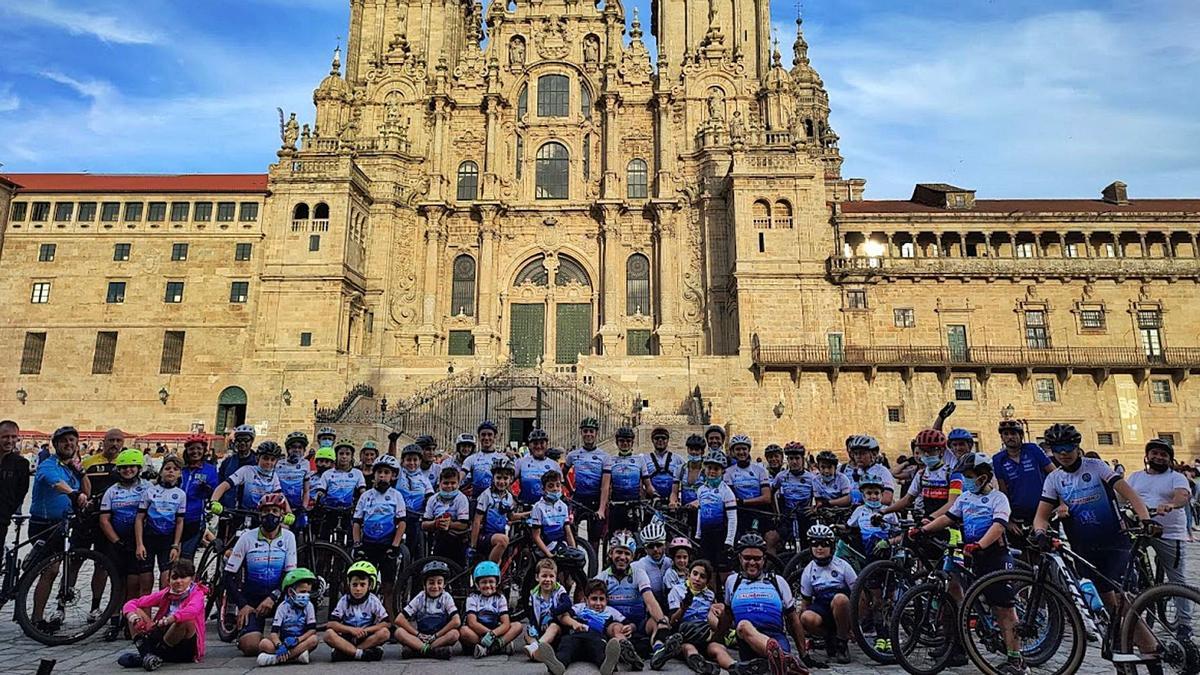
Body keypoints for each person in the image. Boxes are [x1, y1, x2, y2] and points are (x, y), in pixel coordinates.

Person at [913, 452, 1023, 673]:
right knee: (964, 593)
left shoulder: (998, 498)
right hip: (973, 555)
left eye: (970, 476)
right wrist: (923, 530)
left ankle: (1016, 659)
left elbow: (999, 526)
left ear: (983, 477)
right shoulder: (964, 498)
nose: (967, 480)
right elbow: (948, 518)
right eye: (965, 476)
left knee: (1003, 609)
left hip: (995, 555)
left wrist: (981, 544)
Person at [711, 533, 825, 672]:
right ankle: (782, 661)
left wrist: (804, 655)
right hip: (747, 641)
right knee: (743, 625)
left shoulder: (778, 581)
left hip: (777, 638)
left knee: (772, 654)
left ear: (764, 559)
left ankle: (780, 659)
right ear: (740, 558)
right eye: (747, 558)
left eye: (757, 558)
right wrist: (715, 640)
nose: (752, 562)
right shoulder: (732, 581)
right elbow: (727, 616)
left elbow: (793, 620)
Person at [1126, 438, 1193, 639]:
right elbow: (1122, 495)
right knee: (1127, 566)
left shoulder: (1176, 477)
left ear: (1170, 459)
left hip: (1168, 531)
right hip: (1140, 528)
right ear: (1147, 456)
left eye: (1163, 455)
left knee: (1176, 578)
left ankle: (1184, 624)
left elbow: (1182, 495)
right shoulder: (1135, 477)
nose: (1158, 457)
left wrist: (1171, 505)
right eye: (1154, 453)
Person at [29, 425, 90, 633]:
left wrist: (81, 472)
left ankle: (32, 610)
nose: (69, 444)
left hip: (62, 525)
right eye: (64, 441)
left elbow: (86, 491)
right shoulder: (49, 464)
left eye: (72, 440)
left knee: (50, 570)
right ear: (56, 445)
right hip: (44, 525)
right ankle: (36, 619)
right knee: (51, 569)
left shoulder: (69, 468)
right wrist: (72, 493)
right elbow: (54, 483)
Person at [221, 493, 297, 657]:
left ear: (282, 515)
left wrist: (273, 596)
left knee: (294, 638)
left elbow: (290, 575)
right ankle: (265, 642)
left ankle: (274, 644)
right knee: (250, 647)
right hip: (252, 601)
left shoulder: (289, 537)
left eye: (275, 511)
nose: (270, 515)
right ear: (260, 514)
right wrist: (242, 604)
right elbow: (228, 576)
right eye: (266, 511)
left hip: (279, 599)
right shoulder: (247, 538)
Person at [118, 559, 208, 671]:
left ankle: (154, 655)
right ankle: (146, 654)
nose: (179, 581)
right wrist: (133, 617)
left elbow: (191, 611)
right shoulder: (166, 593)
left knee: (186, 621)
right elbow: (132, 603)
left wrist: (168, 620)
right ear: (168, 579)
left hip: (183, 647)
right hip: (162, 636)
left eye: (183, 577)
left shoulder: (197, 594)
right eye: (175, 578)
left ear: (192, 579)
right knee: (135, 610)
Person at [100, 448, 152, 640]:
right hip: (118, 541)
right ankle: (115, 620)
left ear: (138, 468)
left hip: (140, 541)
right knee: (117, 583)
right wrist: (117, 541)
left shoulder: (147, 488)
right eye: (124, 468)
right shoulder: (112, 491)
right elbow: (104, 519)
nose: (128, 470)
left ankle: (135, 620)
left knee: (136, 583)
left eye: (131, 467)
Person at [595, 530, 665, 665]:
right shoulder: (602, 577)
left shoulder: (639, 573)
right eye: (619, 552)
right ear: (610, 553)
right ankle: (628, 651)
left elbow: (650, 601)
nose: (622, 557)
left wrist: (662, 621)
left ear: (632, 557)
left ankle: (659, 651)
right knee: (615, 628)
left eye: (627, 554)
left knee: (657, 621)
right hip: (617, 623)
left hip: (639, 623)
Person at [535, 579, 628, 675]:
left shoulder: (610, 611)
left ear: (606, 600)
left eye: (602, 599)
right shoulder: (580, 607)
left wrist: (629, 628)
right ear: (586, 599)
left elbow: (628, 623)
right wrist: (574, 623)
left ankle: (608, 665)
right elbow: (563, 617)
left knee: (600, 649)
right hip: (576, 636)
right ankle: (557, 665)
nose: (598, 603)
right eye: (594, 599)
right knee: (566, 646)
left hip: (596, 637)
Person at [352, 453, 406, 616]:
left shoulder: (396, 496)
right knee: (366, 583)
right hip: (368, 544)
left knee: (388, 586)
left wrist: (395, 546)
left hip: (387, 545)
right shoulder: (366, 496)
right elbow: (357, 522)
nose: (382, 476)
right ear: (374, 474)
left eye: (386, 473)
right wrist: (357, 544)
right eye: (379, 472)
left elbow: (401, 522)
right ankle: (365, 618)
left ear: (393, 476)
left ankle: (390, 620)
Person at [798, 524, 856, 665]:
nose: (819, 548)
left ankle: (842, 643)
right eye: (815, 544)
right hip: (822, 607)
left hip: (842, 608)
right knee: (806, 617)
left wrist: (855, 626)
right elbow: (805, 603)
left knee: (840, 599)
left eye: (824, 544)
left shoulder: (843, 566)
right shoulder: (808, 570)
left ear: (832, 546)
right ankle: (830, 637)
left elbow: (858, 595)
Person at [652, 558, 719, 672]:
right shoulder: (677, 590)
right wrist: (684, 607)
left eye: (702, 576)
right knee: (687, 647)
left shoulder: (710, 595)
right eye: (695, 574)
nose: (697, 579)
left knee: (716, 643)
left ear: (707, 581)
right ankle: (693, 659)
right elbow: (673, 621)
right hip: (684, 630)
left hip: (703, 631)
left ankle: (733, 665)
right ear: (688, 574)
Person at [992, 419, 1053, 535]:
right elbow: (1003, 491)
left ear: (1021, 435)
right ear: (1002, 438)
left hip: (1045, 511)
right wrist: (1008, 521)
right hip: (1019, 517)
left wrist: (1061, 504)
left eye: (1013, 433)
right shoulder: (998, 459)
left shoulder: (1033, 449)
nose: (1010, 437)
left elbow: (1054, 475)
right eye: (1006, 434)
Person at [882, 429, 957, 523]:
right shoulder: (921, 474)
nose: (926, 454)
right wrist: (883, 511)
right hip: (926, 522)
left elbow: (953, 503)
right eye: (923, 451)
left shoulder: (953, 474)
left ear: (941, 451)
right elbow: (907, 499)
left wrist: (931, 518)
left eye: (930, 451)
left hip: (948, 523)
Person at [135, 454, 187, 588]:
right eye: (167, 468)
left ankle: (163, 609)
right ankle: (145, 608)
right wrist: (139, 544)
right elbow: (140, 518)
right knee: (145, 582)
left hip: (167, 541)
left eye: (175, 469)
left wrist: (176, 545)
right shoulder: (150, 491)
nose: (171, 471)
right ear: (161, 472)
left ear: (180, 474)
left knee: (166, 583)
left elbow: (180, 522)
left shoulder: (181, 494)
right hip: (149, 539)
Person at [324, 561, 389, 662]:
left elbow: (386, 623)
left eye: (362, 585)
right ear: (349, 584)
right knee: (328, 634)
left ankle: (348, 652)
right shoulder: (344, 600)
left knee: (385, 633)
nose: (358, 589)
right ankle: (361, 654)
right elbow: (331, 624)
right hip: (347, 637)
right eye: (354, 584)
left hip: (366, 637)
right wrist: (351, 630)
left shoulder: (373, 601)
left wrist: (366, 630)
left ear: (370, 585)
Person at [394, 559, 460, 659]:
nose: (435, 586)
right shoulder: (420, 597)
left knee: (454, 634)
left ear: (444, 584)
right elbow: (399, 619)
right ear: (424, 585)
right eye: (431, 583)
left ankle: (418, 650)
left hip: (438, 637)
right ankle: (432, 651)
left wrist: (436, 636)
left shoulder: (446, 597)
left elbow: (456, 621)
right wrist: (418, 634)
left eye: (439, 582)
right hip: (421, 638)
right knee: (399, 632)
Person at [255, 568, 319, 666]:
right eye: (302, 592)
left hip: (299, 641)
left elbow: (312, 630)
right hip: (283, 643)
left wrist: (298, 640)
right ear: (290, 592)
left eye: (308, 592)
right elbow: (274, 633)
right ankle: (296, 656)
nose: (306, 595)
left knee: (314, 639)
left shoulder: (309, 606)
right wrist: (279, 645)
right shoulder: (282, 607)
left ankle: (276, 659)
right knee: (263, 643)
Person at [566, 418, 613, 547]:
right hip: (578, 499)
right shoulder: (572, 455)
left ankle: (594, 565)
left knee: (594, 540)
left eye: (591, 431)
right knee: (571, 534)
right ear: (581, 432)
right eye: (585, 431)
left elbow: (605, 486)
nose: (588, 434)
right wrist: (570, 490)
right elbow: (562, 474)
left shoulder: (604, 456)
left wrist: (602, 509)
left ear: (596, 433)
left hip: (596, 500)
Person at [461, 561, 525, 657]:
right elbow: (472, 622)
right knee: (463, 631)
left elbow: (506, 623)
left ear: (497, 583)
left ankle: (489, 649)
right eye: (483, 582)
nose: (487, 585)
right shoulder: (472, 598)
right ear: (477, 585)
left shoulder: (500, 598)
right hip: (479, 633)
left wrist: (493, 634)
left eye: (491, 582)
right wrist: (488, 634)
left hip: (496, 632)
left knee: (517, 626)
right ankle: (500, 646)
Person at [689, 451, 737, 571]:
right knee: (707, 569)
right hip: (706, 534)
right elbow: (700, 513)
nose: (712, 471)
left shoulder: (726, 491)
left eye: (716, 469)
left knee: (722, 570)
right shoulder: (701, 490)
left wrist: (729, 540)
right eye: (709, 468)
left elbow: (732, 517)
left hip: (721, 535)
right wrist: (698, 534)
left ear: (722, 471)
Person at [210, 441, 285, 514]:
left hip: (264, 515)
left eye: (272, 460)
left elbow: (280, 496)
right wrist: (214, 501)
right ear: (258, 458)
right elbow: (224, 486)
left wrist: (288, 513)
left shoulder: (274, 476)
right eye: (265, 458)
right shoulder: (247, 470)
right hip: (244, 513)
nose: (269, 462)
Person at [471, 455, 518, 563]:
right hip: (485, 535)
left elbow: (512, 516)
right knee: (503, 541)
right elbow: (477, 521)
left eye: (505, 478)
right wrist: (473, 546)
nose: (502, 482)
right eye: (498, 478)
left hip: (499, 535)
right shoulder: (486, 495)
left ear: (511, 479)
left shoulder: (509, 496)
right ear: (493, 477)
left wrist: (530, 513)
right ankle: (490, 569)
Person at [724, 436, 772, 538]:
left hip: (759, 512)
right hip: (740, 514)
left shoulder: (760, 470)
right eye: (737, 449)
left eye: (744, 449)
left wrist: (743, 501)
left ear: (749, 450)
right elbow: (732, 498)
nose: (741, 452)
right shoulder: (728, 472)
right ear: (732, 452)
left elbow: (767, 498)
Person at [769, 443, 813, 553]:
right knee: (786, 545)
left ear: (803, 459)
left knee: (807, 544)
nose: (794, 462)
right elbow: (771, 492)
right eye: (791, 459)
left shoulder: (811, 478)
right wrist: (776, 512)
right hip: (787, 515)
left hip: (804, 515)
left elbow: (818, 496)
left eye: (797, 458)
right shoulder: (781, 476)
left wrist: (814, 508)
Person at [524, 558, 572, 659]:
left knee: (553, 627)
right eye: (544, 576)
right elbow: (531, 614)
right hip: (540, 629)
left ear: (556, 578)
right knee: (527, 634)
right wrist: (533, 627)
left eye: (551, 576)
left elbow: (568, 604)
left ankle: (537, 647)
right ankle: (537, 651)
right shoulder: (533, 594)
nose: (548, 580)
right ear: (537, 577)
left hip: (556, 628)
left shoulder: (559, 590)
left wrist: (552, 613)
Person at [179, 435, 217, 560]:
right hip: (174, 519)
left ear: (204, 450)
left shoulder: (210, 470)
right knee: (171, 556)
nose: (195, 452)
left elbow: (215, 493)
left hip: (194, 520)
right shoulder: (181, 469)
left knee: (186, 557)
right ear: (187, 451)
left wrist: (208, 490)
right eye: (191, 449)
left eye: (199, 448)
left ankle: (188, 580)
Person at [423, 466, 471, 559]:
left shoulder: (462, 499)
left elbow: (464, 525)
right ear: (440, 483)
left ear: (458, 484)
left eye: (453, 483)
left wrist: (450, 524)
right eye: (446, 483)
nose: (449, 486)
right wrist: (435, 524)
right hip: (436, 539)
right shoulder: (433, 499)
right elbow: (424, 524)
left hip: (456, 541)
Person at [530, 470, 578, 557]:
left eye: (558, 485)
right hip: (546, 547)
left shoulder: (563, 506)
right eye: (550, 486)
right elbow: (536, 536)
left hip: (561, 546)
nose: (555, 489)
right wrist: (548, 554)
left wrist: (573, 551)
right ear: (544, 489)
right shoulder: (538, 507)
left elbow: (568, 532)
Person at [397, 444, 434, 558]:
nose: (412, 463)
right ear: (403, 461)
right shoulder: (398, 473)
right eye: (408, 460)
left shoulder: (424, 478)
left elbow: (430, 495)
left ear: (420, 461)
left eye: (415, 460)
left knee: (416, 542)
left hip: (416, 516)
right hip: (399, 515)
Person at [0, 420, 31, 547]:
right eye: (5, 437)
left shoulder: (21, 464)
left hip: (2, 519)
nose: (10, 441)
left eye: (13, 437)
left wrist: (7, 511)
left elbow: (21, 491)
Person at [843, 435, 895, 505]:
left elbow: (887, 499)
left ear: (873, 454)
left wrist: (863, 499)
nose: (858, 457)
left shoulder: (882, 471)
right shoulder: (858, 471)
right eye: (855, 453)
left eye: (862, 453)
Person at [671, 435, 708, 533]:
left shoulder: (707, 470)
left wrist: (697, 502)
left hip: (703, 512)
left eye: (697, 450)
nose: (694, 452)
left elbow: (711, 493)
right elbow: (674, 492)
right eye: (691, 449)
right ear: (687, 450)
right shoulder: (680, 469)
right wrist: (673, 502)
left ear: (702, 452)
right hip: (685, 512)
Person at [217, 425, 258, 513]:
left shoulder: (257, 462)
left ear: (252, 441)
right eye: (239, 440)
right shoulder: (227, 462)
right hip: (228, 508)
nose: (242, 443)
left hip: (251, 510)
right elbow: (220, 483)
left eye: (246, 440)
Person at [632, 521, 672, 606]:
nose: (655, 549)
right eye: (650, 546)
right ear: (645, 548)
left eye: (658, 545)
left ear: (664, 545)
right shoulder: (639, 565)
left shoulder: (670, 562)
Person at [278, 432, 312, 531]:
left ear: (304, 450)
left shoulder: (306, 464)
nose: (296, 450)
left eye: (300, 447)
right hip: (282, 508)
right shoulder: (279, 464)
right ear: (288, 449)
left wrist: (304, 508)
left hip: (298, 508)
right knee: (284, 532)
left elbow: (306, 490)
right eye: (293, 447)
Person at [517, 429, 560, 507]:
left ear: (547, 444)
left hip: (548, 508)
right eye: (535, 443)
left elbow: (560, 488)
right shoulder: (521, 462)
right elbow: (508, 482)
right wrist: (514, 499)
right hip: (526, 507)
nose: (539, 446)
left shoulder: (554, 465)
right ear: (530, 445)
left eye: (542, 443)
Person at [463, 421, 502, 502]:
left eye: (490, 434)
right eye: (483, 434)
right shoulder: (471, 459)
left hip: (496, 503)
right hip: (476, 502)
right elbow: (460, 477)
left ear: (495, 437)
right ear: (479, 437)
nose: (486, 438)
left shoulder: (503, 458)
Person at [642, 428, 681, 501]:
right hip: (651, 500)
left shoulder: (678, 459)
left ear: (668, 440)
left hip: (672, 501)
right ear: (652, 440)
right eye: (657, 438)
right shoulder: (644, 459)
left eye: (663, 438)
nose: (660, 440)